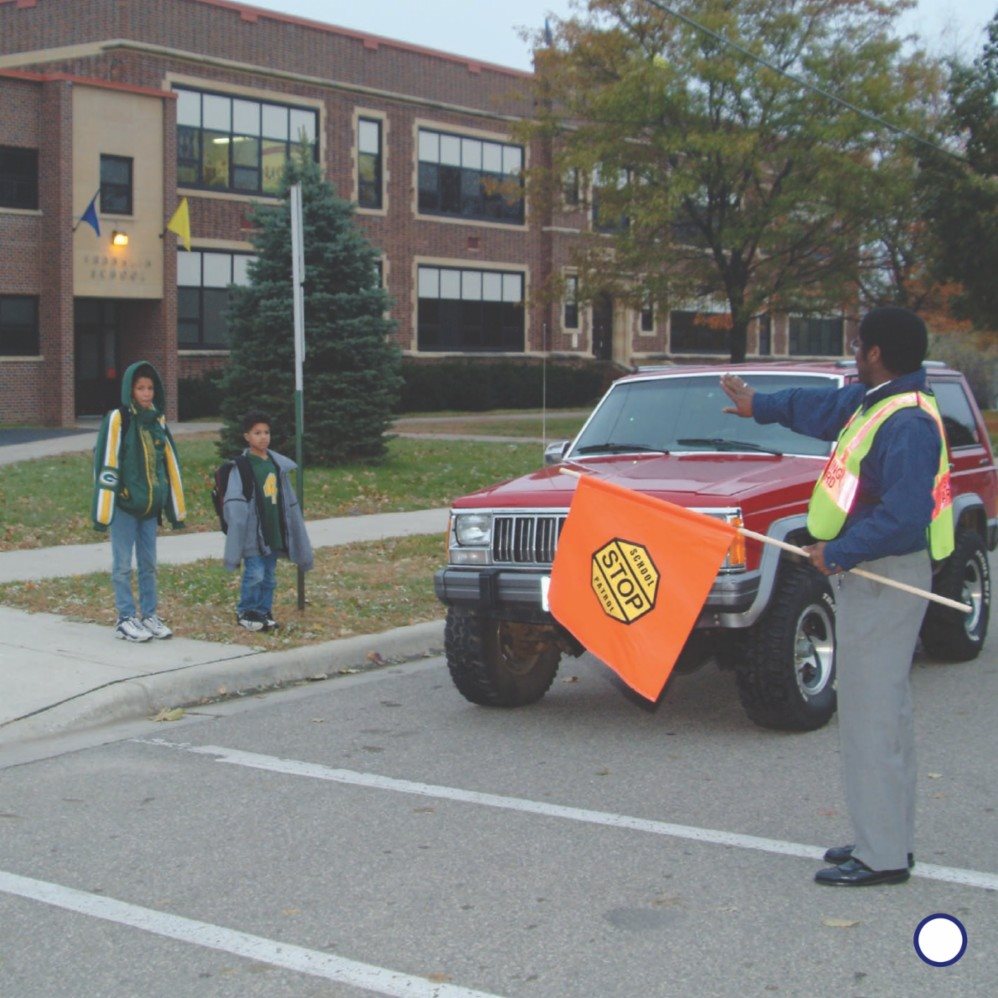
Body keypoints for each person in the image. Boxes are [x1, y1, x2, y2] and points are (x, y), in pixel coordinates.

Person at [720, 306, 953, 887]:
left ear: (874, 352)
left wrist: (839, 551)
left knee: (873, 720)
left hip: (884, 576)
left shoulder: (905, 424)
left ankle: (881, 858)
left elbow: (904, 518)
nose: (853, 350)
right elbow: (822, 408)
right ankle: (886, 838)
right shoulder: (879, 403)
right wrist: (759, 406)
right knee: (883, 715)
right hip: (873, 574)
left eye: (857, 343)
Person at [91, 360, 187, 641]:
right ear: (130, 390)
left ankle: (149, 615)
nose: (146, 393)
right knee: (122, 564)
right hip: (124, 507)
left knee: (149, 564)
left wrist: (169, 503)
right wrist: (112, 500)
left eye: (150, 388)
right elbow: (106, 460)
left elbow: (168, 462)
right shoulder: (119, 419)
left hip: (149, 508)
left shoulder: (157, 420)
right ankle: (125, 617)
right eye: (140, 388)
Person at [223, 411, 313, 631]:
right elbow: (235, 503)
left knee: (269, 577)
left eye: (266, 432)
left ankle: (264, 611)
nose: (263, 437)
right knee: (255, 574)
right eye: (257, 433)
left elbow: (288, 501)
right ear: (246, 436)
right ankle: (247, 611)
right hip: (253, 533)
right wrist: (238, 529)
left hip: (274, 532)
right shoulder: (243, 466)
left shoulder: (276, 464)